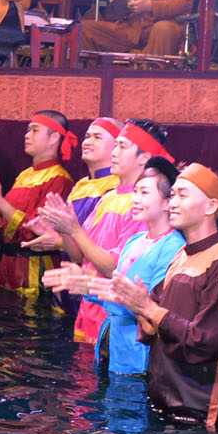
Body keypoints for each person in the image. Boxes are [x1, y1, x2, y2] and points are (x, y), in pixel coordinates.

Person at [103, 162, 218, 425]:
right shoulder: (182, 254)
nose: (172, 203)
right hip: (164, 400)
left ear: (211, 206)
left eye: (182, 195)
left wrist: (148, 308)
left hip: (199, 412)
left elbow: (204, 341)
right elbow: (155, 324)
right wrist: (137, 304)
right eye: (172, 195)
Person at [34, 118, 166, 343]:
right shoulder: (109, 197)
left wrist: (74, 230)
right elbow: (78, 256)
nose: (114, 152)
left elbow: (115, 267)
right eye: (115, 145)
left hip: (115, 315)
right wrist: (65, 227)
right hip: (88, 309)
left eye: (122, 146)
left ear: (144, 158)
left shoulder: (142, 205)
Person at [78, 160, 184, 376]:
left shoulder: (173, 247)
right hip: (113, 346)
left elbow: (155, 307)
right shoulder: (135, 240)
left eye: (144, 192)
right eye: (135, 192)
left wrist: (97, 287)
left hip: (138, 357)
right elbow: (118, 291)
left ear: (167, 203)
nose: (135, 199)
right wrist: (86, 286)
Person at [0, 112, 73, 295]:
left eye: (34, 130)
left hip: (34, 268)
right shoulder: (25, 175)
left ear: (54, 137)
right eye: (27, 130)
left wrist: (0, 202)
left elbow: (37, 229)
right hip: (6, 266)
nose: (26, 135)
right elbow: (4, 226)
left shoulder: (59, 179)